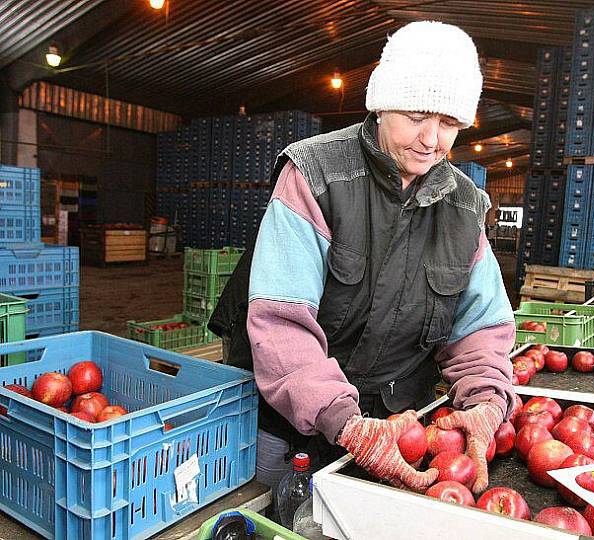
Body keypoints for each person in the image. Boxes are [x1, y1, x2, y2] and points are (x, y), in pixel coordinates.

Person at [211, 20, 515, 499]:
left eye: (450, 123)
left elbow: (481, 328)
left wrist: (484, 401)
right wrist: (344, 421)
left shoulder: (464, 208)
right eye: (418, 116)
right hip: (291, 415)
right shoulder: (316, 175)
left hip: (395, 426)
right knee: (276, 508)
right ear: (382, 103)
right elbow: (282, 322)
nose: (432, 140)